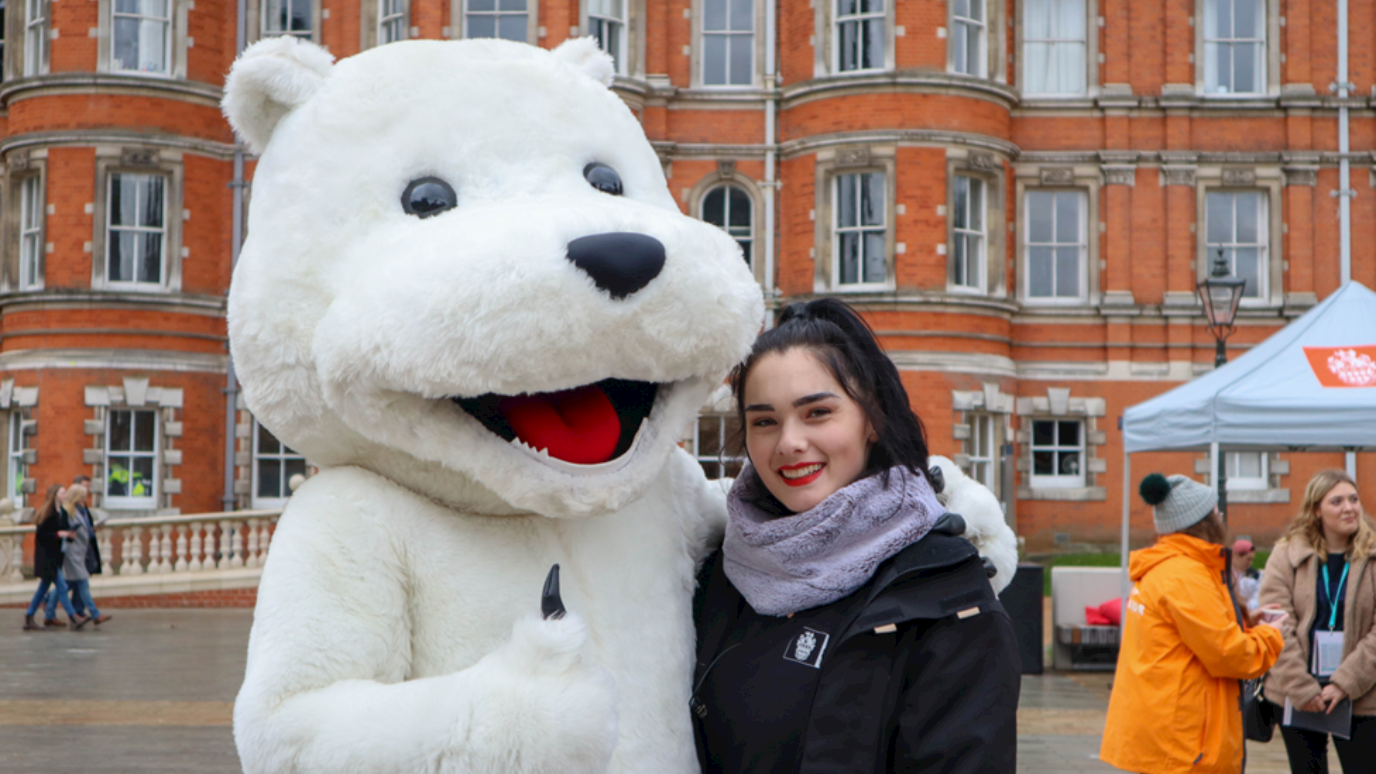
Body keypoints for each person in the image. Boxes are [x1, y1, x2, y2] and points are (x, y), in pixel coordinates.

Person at [691, 299, 1020, 774]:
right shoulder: (718, 572)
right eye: (764, 421)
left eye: (817, 413)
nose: (788, 442)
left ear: (872, 419)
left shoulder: (945, 594)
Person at [1101, 473, 1285, 774]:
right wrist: (1270, 636)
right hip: (1185, 743)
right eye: (1216, 511)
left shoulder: (1167, 566)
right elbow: (1228, 653)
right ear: (1203, 521)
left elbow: (1194, 635)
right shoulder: (1186, 575)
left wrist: (1245, 622)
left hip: (1163, 731)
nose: (1221, 516)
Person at [1258, 469, 1376, 772]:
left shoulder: (1373, 554)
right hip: (1297, 692)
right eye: (1336, 501)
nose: (1349, 508)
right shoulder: (1286, 554)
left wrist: (1345, 682)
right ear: (1316, 510)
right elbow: (1274, 623)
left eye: (1353, 499)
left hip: (1362, 693)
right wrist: (1301, 687)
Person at [21, 484, 87, 631]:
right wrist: (60, 534)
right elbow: (42, 535)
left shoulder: (62, 512)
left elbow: (63, 531)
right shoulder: (47, 512)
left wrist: (70, 535)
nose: (65, 495)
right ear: (55, 495)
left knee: (43, 588)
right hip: (46, 556)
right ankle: (73, 616)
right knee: (62, 587)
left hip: (56, 556)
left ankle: (29, 616)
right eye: (63, 493)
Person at [54, 485, 110, 627]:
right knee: (83, 582)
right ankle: (95, 614)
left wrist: (93, 529)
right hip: (72, 552)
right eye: (83, 496)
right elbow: (66, 530)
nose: (86, 498)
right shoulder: (69, 511)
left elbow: (85, 530)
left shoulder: (82, 511)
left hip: (80, 551)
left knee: (66, 584)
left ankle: (48, 606)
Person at [1234, 538, 1263, 612]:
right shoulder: (1224, 574)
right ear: (1237, 556)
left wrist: (1243, 603)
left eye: (1252, 559)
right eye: (1248, 559)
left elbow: (1257, 600)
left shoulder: (1255, 575)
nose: (1250, 563)